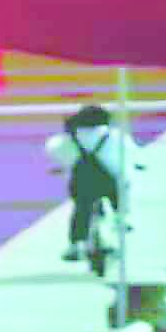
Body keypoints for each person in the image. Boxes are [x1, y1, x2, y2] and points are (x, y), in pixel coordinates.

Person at [44, 104, 142, 262]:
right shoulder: (115, 136)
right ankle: (121, 219)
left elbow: (54, 150)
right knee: (123, 186)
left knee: (81, 209)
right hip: (112, 183)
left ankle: (75, 246)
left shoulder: (67, 139)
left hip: (83, 184)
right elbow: (132, 152)